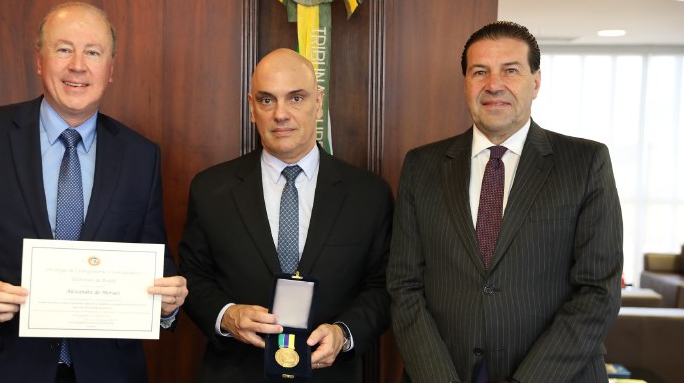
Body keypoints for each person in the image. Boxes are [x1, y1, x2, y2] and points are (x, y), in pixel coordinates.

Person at [0, 2, 188, 382]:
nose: (78, 65)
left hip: (108, 371)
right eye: (63, 49)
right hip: (3, 367)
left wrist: (168, 302)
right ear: (39, 61)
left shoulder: (142, 156)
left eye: (93, 52)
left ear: (110, 69)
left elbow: (155, 258)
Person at [387, 21, 623, 382]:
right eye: (479, 71)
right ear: (465, 83)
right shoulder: (422, 166)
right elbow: (404, 286)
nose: (493, 84)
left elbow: (597, 293)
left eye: (510, 70)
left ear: (536, 81)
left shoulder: (585, 163)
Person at [179, 48, 393, 382]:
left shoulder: (369, 194)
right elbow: (193, 275)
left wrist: (344, 333)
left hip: (331, 374)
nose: (281, 114)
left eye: (296, 98)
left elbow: (382, 286)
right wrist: (226, 315)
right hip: (236, 371)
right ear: (252, 107)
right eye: (267, 101)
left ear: (318, 103)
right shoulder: (210, 189)